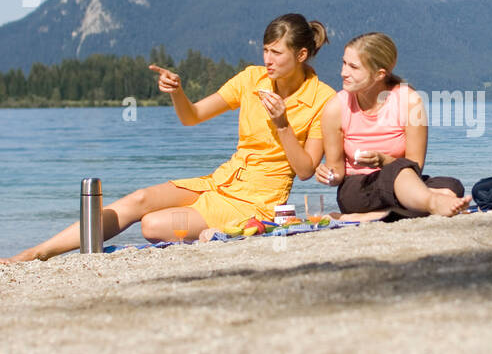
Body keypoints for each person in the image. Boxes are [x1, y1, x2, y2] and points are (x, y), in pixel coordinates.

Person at [2, 14, 335, 262]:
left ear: (302, 54)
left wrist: (282, 124)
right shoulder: (251, 78)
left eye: (277, 53)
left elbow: (305, 169)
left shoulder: (322, 99)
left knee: (152, 226)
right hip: (220, 181)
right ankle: (38, 251)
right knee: (140, 198)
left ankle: (227, 235)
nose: (268, 60)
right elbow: (192, 117)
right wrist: (178, 93)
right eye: (265, 50)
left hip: (259, 202)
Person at [316, 32, 470, 219]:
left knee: (451, 186)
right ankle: (430, 203)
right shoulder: (335, 108)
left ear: (379, 74)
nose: (343, 72)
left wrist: (384, 161)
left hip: (403, 178)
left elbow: (415, 165)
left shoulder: (409, 101)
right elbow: (337, 174)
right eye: (344, 63)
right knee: (436, 192)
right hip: (358, 188)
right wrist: (328, 175)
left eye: (353, 67)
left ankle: (384, 213)